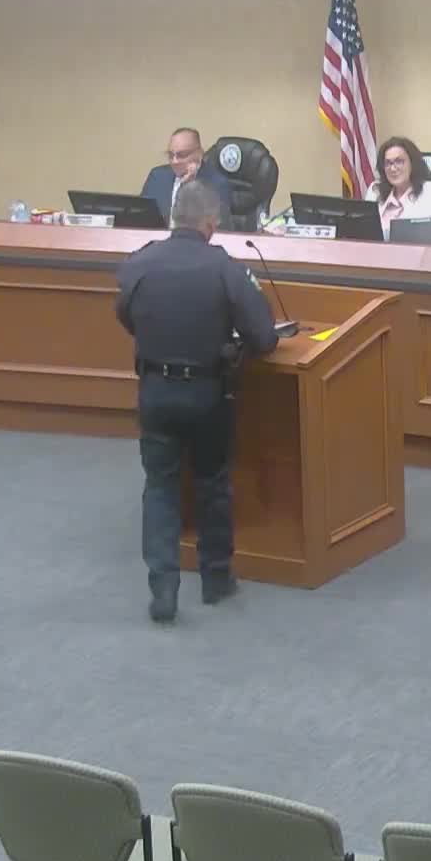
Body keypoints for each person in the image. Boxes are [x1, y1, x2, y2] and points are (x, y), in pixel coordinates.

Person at [115, 180, 278, 624]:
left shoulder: (139, 262)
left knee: (160, 486)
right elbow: (264, 336)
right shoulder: (225, 267)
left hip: (155, 391)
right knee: (212, 483)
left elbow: (125, 314)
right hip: (208, 394)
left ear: (174, 217)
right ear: (211, 222)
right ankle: (216, 578)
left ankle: (164, 588)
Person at [363, 136, 431, 244]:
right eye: (388, 163)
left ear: (412, 163)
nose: (393, 168)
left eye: (399, 161)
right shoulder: (375, 191)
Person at [140, 127, 235, 230]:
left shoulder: (217, 183)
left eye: (182, 155)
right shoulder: (157, 176)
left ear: (199, 154)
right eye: (171, 155)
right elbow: (141, 215)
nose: (174, 161)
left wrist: (190, 186)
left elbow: (218, 228)